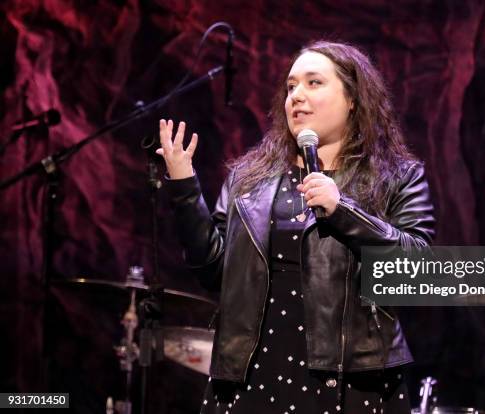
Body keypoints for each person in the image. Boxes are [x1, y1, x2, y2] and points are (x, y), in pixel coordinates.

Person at [157, 40, 435, 414]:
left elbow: (416, 270)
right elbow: (215, 274)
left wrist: (342, 211)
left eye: (313, 83)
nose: (296, 96)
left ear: (353, 98)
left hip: (351, 380)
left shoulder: (398, 177)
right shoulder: (249, 180)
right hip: (252, 377)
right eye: (291, 87)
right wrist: (184, 189)